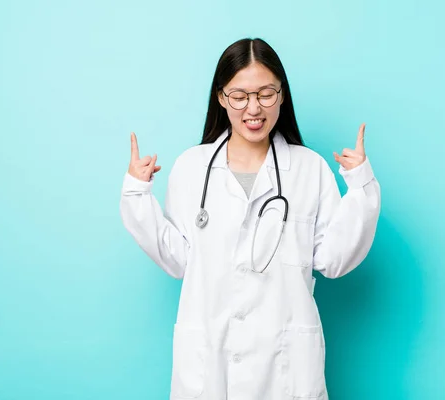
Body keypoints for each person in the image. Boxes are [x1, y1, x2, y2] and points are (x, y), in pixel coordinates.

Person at [120, 37, 381, 400]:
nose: (253, 108)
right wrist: (136, 194)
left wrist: (361, 188)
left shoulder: (310, 169)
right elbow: (178, 260)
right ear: (221, 97)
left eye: (265, 94)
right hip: (210, 365)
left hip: (285, 367)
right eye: (239, 96)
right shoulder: (192, 168)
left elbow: (333, 261)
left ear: (282, 95)